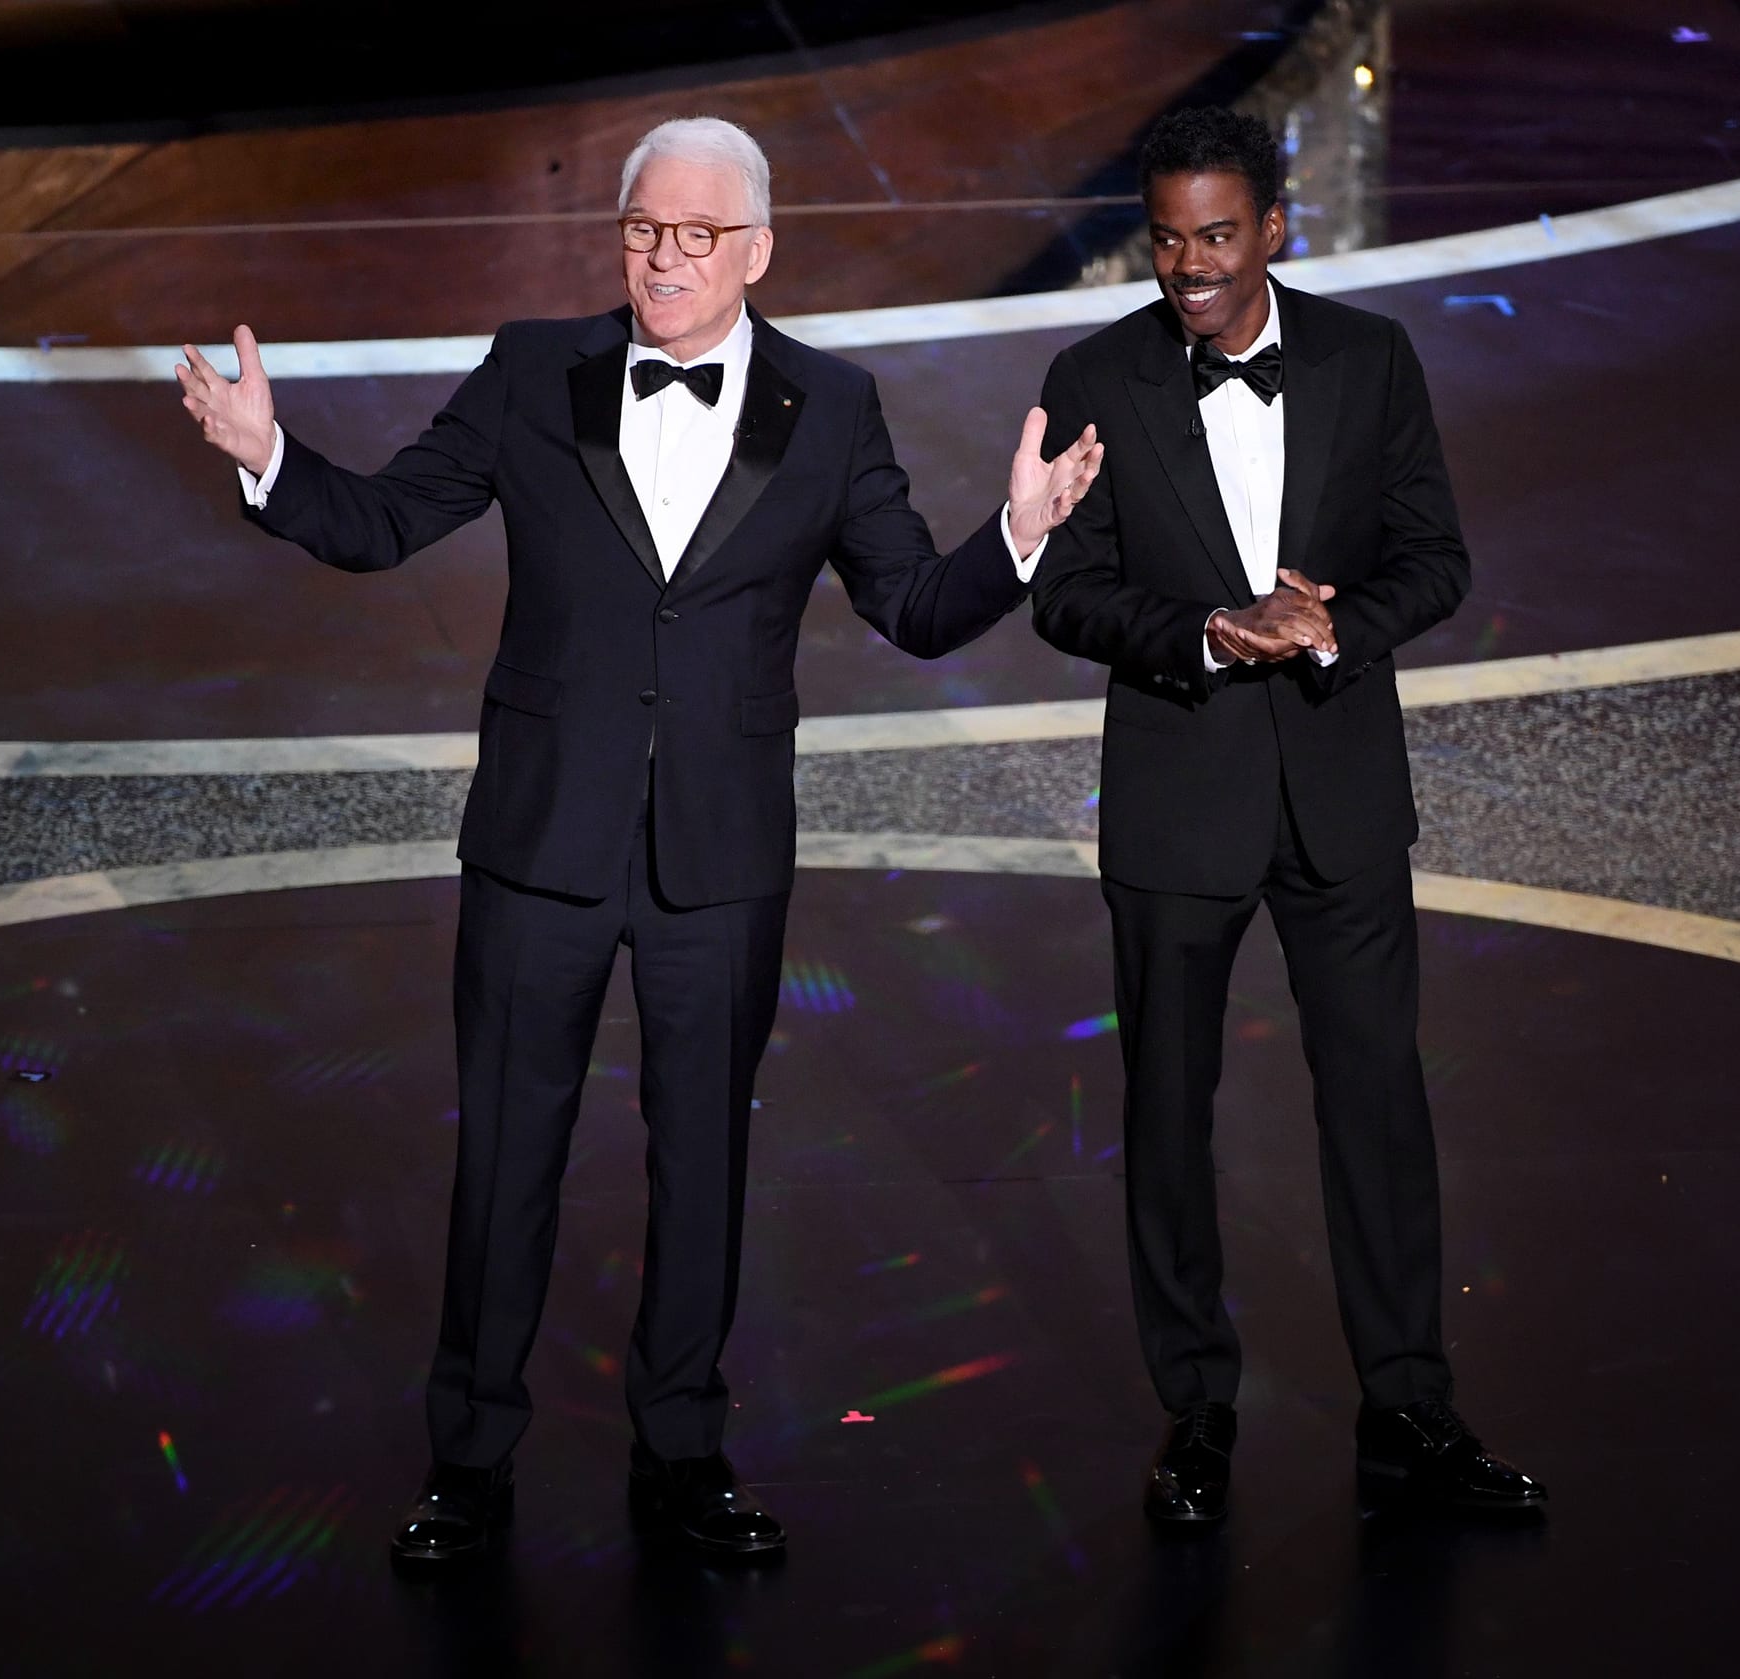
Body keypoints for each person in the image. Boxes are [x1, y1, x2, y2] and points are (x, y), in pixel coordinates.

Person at [175, 115, 1102, 1565]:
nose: (666, 259)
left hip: (717, 862)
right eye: (644, 230)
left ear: (758, 251)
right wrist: (271, 459)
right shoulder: (533, 368)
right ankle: (468, 1466)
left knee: (704, 1164)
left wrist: (1019, 537)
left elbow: (914, 607)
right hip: (541, 836)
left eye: (698, 235)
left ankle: (683, 1456)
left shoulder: (832, 405)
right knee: (506, 1159)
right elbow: (387, 521)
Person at [1028, 107, 1542, 1524]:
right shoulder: (1095, 376)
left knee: (1379, 1103)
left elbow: (1436, 558)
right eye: (1167, 240)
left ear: (1272, 229)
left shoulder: (1370, 360)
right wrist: (1207, 629)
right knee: (1168, 1113)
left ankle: (1409, 1401)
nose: (1189, 266)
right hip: (1178, 804)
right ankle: (1196, 1410)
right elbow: (1066, 593)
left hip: (1341, 798)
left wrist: (1331, 626)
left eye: (1215, 236)